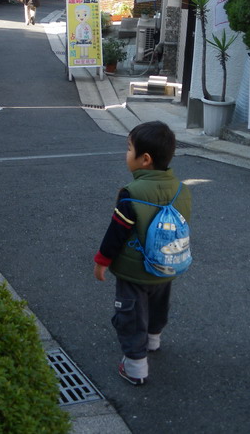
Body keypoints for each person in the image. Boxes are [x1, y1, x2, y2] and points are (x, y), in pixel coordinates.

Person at [93, 121, 192, 386]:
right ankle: (153, 340)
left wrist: (102, 261)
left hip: (134, 271)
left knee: (132, 315)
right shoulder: (182, 189)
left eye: (129, 148)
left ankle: (135, 367)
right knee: (158, 305)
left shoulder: (131, 194)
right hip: (167, 264)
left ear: (145, 159)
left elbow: (116, 234)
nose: (126, 154)